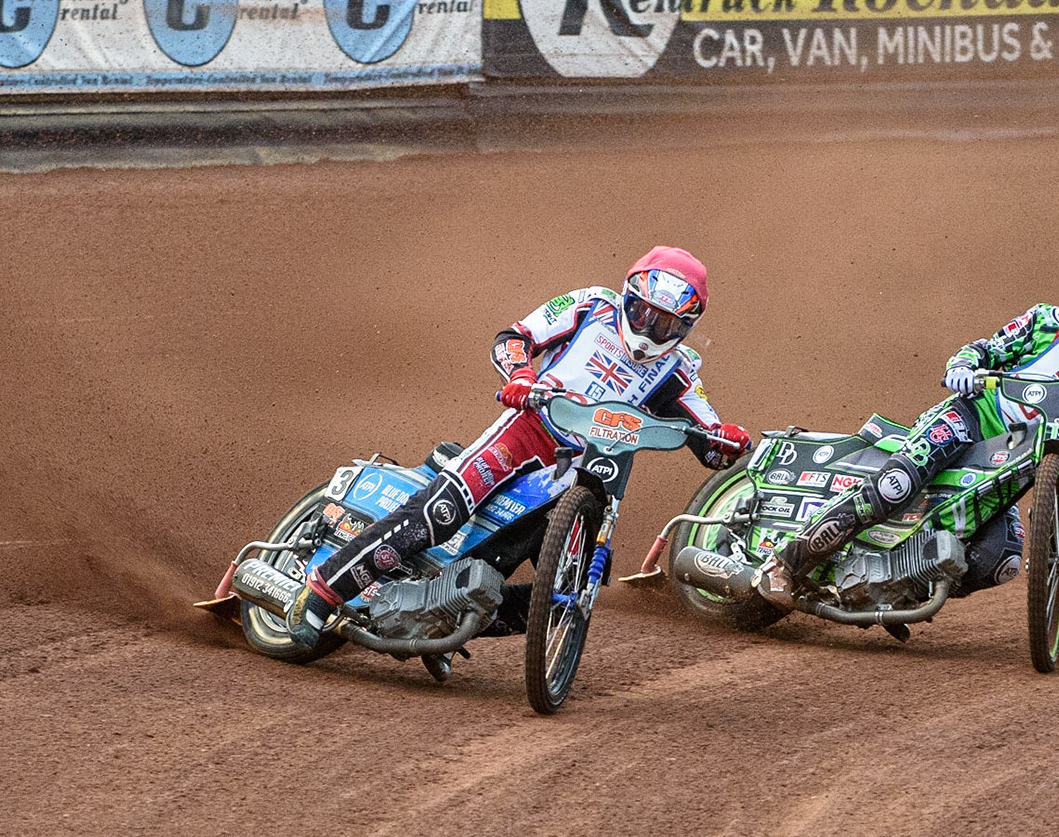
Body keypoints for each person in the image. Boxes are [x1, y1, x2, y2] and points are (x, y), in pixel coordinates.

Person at [285, 246, 753, 646]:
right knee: (442, 513)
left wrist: (729, 440)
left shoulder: (682, 368)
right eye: (644, 313)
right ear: (629, 298)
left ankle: (444, 617)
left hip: (593, 471)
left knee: (578, 581)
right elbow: (515, 338)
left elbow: (709, 442)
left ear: (687, 327)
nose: (650, 330)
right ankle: (322, 593)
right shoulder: (592, 304)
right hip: (527, 429)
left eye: (666, 324)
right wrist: (520, 375)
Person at [755, 258, 1059, 607]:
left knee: (998, 560)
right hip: (969, 420)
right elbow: (985, 348)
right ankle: (786, 564)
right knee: (895, 485)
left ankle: (890, 589)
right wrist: (962, 368)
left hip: (1010, 470)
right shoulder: (1050, 322)